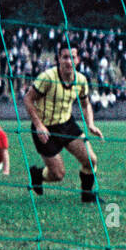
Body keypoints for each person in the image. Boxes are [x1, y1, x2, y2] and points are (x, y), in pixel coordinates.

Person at [24, 46, 103, 203]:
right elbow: (28, 99)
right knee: (58, 175)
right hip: (45, 128)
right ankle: (38, 175)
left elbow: (86, 104)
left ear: (78, 59)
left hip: (66, 124)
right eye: (65, 57)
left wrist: (91, 124)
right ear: (59, 59)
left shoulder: (81, 80)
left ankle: (87, 195)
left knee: (91, 160)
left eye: (72, 57)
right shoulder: (47, 77)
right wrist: (39, 125)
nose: (69, 61)